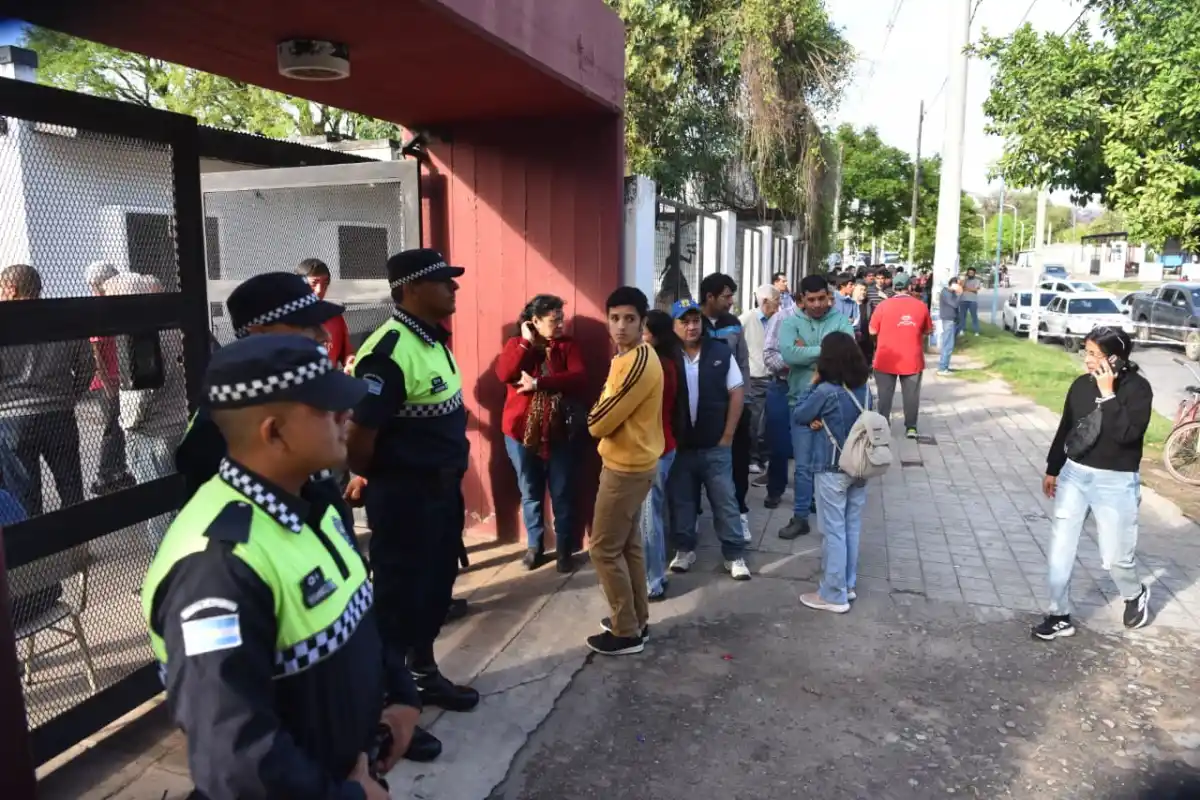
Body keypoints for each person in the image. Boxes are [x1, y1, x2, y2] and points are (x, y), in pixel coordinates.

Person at [172, 271, 437, 761]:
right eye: (303, 325)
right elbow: (237, 747)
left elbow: (352, 592)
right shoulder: (219, 555)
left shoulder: (307, 473)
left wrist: (395, 699)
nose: (321, 335)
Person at [141, 335, 408, 800]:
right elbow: (234, 757)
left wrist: (401, 695)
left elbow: (357, 609)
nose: (347, 416)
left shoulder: (315, 505)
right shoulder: (217, 568)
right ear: (274, 432)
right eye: (327, 408)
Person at [344, 248, 480, 716]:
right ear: (413, 288)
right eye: (444, 281)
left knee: (434, 591)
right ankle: (389, 704)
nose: (454, 287)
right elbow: (358, 438)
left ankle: (422, 677)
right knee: (399, 601)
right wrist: (376, 478)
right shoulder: (388, 352)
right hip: (406, 501)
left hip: (440, 495)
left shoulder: (432, 340)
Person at [1034, 327, 1152, 641]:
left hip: (1115, 481)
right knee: (1060, 547)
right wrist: (1053, 468)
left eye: (1094, 354)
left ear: (1115, 359)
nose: (1087, 360)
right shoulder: (1079, 386)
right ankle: (1058, 614)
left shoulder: (1138, 390)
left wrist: (1108, 393)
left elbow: (1127, 436)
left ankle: (1134, 592)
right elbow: (1066, 429)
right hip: (1074, 475)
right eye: (1086, 352)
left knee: (1113, 556)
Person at [586, 286, 663, 655]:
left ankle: (625, 632)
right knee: (628, 545)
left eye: (629, 319)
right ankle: (636, 620)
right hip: (629, 462)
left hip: (626, 468)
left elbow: (599, 422)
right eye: (614, 318)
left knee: (602, 549)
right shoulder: (629, 357)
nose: (620, 326)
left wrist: (594, 414)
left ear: (642, 323)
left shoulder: (638, 362)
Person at [495, 293, 586, 572]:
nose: (560, 324)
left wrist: (539, 383)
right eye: (553, 319)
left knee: (561, 492)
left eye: (562, 318)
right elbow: (504, 373)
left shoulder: (567, 347)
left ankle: (564, 549)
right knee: (530, 491)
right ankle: (535, 546)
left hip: (558, 432)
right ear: (534, 321)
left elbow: (579, 378)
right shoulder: (516, 345)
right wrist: (524, 342)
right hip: (520, 432)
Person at [666, 299, 751, 580]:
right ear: (674, 325)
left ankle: (734, 554)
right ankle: (684, 549)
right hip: (680, 446)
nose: (691, 327)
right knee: (682, 501)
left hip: (716, 445)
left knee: (725, 500)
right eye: (684, 321)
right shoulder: (665, 355)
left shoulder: (719, 351)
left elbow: (737, 391)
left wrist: (728, 435)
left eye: (695, 321)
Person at [0, 264, 92, 517]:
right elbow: (87, 363)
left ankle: (34, 549)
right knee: (71, 486)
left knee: (24, 491)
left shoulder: (4, 321)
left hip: (12, 417)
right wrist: (71, 395)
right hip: (59, 412)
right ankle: (78, 546)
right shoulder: (61, 318)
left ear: (11, 288)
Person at [103, 273, 187, 549]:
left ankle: (164, 573)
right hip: (179, 423)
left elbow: (141, 391)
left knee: (158, 510)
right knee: (178, 502)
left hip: (151, 433)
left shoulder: (138, 335)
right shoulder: (174, 327)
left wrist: (127, 422)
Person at [793, 332, 873, 614]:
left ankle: (833, 594)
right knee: (851, 527)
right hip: (861, 467)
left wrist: (812, 385)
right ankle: (847, 585)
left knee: (833, 531)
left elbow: (800, 413)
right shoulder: (864, 389)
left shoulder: (825, 390)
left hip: (831, 467)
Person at [772, 275, 854, 539]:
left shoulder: (840, 320)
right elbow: (788, 355)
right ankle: (800, 517)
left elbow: (846, 354)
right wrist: (828, 350)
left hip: (833, 406)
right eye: (812, 300)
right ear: (802, 300)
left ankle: (832, 517)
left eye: (822, 298)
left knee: (832, 466)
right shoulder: (790, 322)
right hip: (801, 404)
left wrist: (806, 350)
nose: (818, 304)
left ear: (828, 297)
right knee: (804, 466)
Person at [698, 273, 752, 539]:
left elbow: (743, 362)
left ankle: (740, 513)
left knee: (739, 461)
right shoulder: (692, 322)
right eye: (727, 296)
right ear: (710, 297)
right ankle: (693, 517)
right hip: (703, 407)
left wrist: (746, 398)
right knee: (695, 463)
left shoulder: (733, 324)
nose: (732, 301)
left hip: (735, 403)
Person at [640, 310, 684, 601]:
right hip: (663, 446)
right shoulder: (670, 361)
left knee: (647, 519)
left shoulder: (655, 366)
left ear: (652, 335)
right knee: (652, 514)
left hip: (653, 449)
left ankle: (652, 581)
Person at [85, 261, 134, 496]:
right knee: (112, 427)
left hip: (120, 377)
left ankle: (119, 470)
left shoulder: (115, 308)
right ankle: (104, 475)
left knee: (120, 426)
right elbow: (95, 354)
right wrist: (106, 384)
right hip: (107, 382)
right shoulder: (97, 312)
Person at [869, 272, 933, 440]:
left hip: (885, 357)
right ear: (909, 287)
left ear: (893, 287)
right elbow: (927, 330)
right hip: (912, 358)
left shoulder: (882, 306)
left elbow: (872, 330)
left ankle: (883, 427)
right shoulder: (921, 306)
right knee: (911, 395)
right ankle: (911, 428)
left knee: (884, 395)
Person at [739, 285, 779, 477]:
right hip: (754, 378)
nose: (779, 305)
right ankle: (753, 458)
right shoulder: (747, 319)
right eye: (776, 301)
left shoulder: (778, 320)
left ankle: (764, 455)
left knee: (769, 420)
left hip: (773, 376)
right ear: (765, 302)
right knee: (755, 421)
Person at [297, 257, 353, 368]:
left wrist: (350, 363)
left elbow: (347, 355)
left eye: (325, 283)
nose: (320, 290)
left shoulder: (335, 318)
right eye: (314, 283)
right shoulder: (286, 322)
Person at [937, 278, 964, 376]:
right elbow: (955, 304)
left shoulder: (951, 293)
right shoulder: (946, 293)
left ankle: (945, 366)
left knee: (948, 344)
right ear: (953, 284)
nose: (961, 287)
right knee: (948, 344)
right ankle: (942, 368)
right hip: (948, 320)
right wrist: (960, 294)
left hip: (952, 319)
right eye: (959, 284)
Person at [958, 267, 982, 337]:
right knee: (962, 316)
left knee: (974, 316)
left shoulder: (977, 281)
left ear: (974, 273)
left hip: (973, 301)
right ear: (967, 273)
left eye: (972, 273)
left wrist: (966, 289)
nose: (970, 274)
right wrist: (965, 279)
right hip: (963, 300)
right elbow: (961, 287)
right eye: (969, 273)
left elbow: (975, 289)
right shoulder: (964, 280)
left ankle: (976, 331)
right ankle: (962, 329)